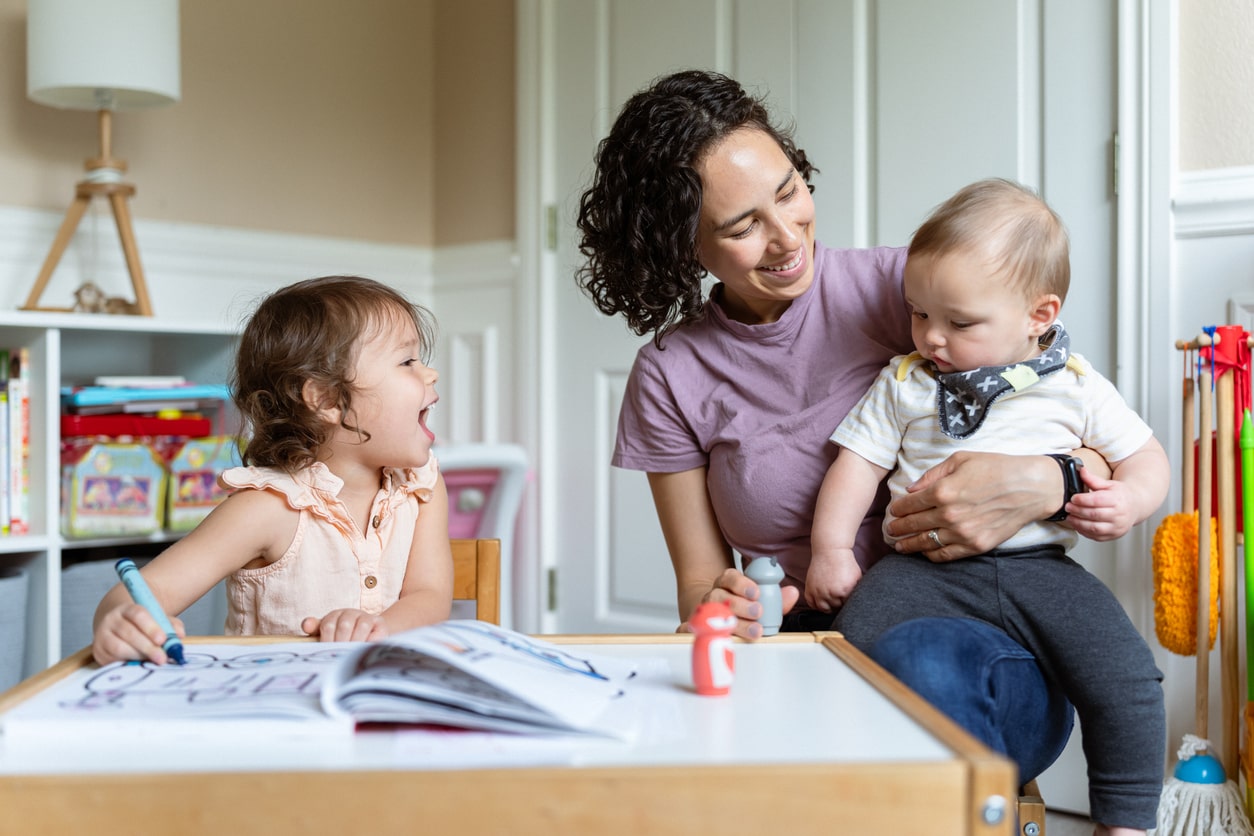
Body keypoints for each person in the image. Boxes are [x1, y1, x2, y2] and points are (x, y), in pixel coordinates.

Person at [576, 68, 1105, 807]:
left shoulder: (911, 296)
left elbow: (1087, 422)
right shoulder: (670, 375)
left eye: (789, 190)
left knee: (919, 665)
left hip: (978, 633)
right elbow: (700, 587)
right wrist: (724, 605)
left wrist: (1053, 479)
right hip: (810, 656)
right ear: (682, 245)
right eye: (741, 226)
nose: (787, 237)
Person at [813, 179, 1166, 835]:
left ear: (1039, 314)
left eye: (960, 322)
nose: (933, 338)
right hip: (920, 569)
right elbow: (856, 465)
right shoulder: (905, 381)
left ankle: (1126, 820)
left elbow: (1147, 458)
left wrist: (1129, 500)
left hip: (1042, 570)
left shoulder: (1075, 385)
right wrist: (831, 550)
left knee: (1127, 679)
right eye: (919, 313)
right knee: (848, 652)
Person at [92, 276, 453, 665]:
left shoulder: (420, 486)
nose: (429, 373)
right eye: (407, 361)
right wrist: (120, 620)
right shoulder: (268, 506)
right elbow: (145, 590)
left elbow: (429, 595)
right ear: (328, 399)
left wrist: (378, 628)